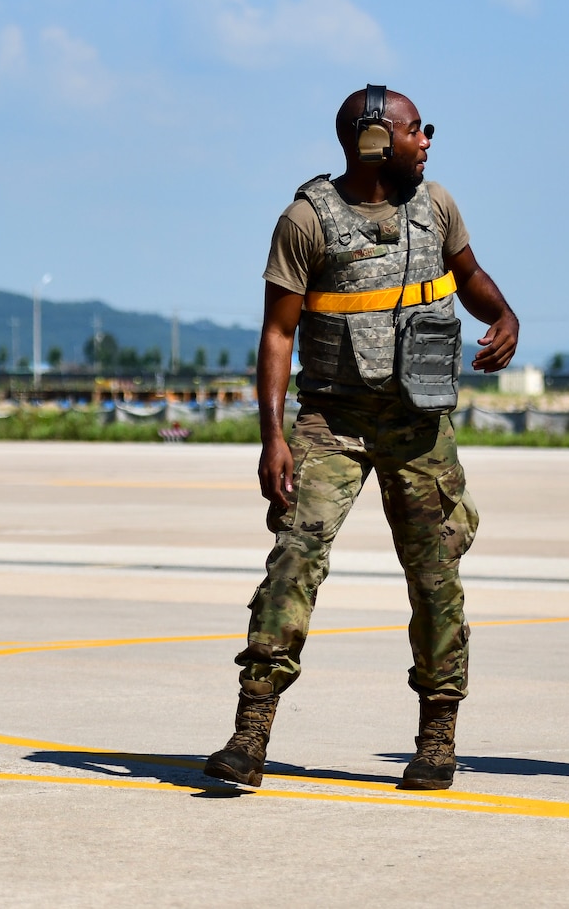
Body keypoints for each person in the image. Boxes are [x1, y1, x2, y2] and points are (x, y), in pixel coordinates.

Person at [203, 85, 519, 792]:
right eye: (416, 130)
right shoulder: (307, 219)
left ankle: (438, 735)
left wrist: (504, 316)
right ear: (377, 141)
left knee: (436, 577)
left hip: (418, 421)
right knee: (293, 559)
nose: (427, 139)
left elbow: (469, 276)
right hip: (332, 418)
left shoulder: (435, 206)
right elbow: (278, 334)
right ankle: (250, 731)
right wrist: (273, 438)